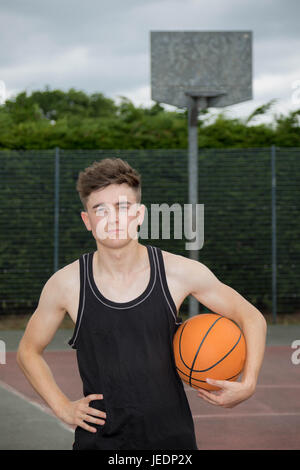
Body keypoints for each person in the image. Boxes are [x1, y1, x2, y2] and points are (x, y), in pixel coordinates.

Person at [17, 157, 267, 450]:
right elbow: (27, 351)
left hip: (172, 442)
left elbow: (250, 317)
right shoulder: (66, 284)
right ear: (87, 220)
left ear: (140, 214)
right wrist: (61, 406)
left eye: (123, 207)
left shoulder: (178, 272)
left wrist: (248, 382)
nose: (113, 219)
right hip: (99, 444)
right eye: (100, 209)